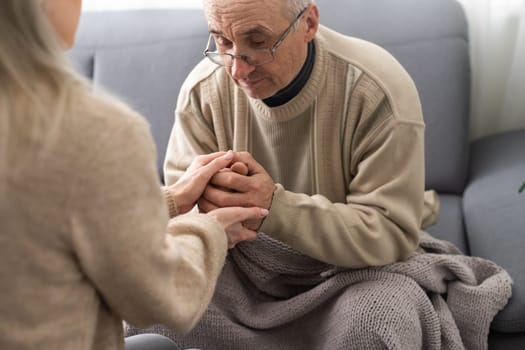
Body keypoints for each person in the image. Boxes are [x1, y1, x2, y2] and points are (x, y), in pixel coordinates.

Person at [126, 0, 512, 349]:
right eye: (221, 42)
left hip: (346, 271)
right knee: (152, 306)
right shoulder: (202, 91)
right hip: (242, 266)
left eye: (257, 42)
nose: (236, 68)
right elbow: (187, 229)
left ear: (308, 22)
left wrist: (273, 206)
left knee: (380, 319)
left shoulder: (376, 89)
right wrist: (202, 211)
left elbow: (390, 233)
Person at [0, 1, 268, 350]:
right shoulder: (94, 132)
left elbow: (46, 212)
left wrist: (172, 199)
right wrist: (211, 230)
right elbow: (156, 297)